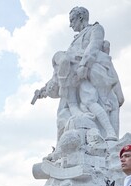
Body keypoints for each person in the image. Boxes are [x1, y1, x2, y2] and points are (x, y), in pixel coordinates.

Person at [34, 6, 122, 141]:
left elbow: (94, 46)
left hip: (88, 72)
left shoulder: (95, 29)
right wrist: (45, 89)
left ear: (80, 17)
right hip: (74, 77)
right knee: (79, 105)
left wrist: (83, 66)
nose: (70, 25)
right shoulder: (73, 42)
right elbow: (61, 69)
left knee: (90, 101)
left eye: (72, 20)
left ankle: (109, 133)